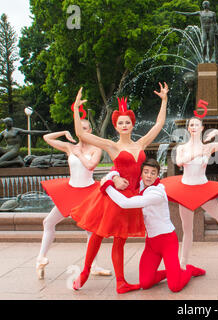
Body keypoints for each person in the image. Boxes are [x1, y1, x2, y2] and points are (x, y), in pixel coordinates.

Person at [70, 82, 169, 294]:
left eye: (127, 122)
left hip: (131, 196)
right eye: (121, 123)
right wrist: (76, 110)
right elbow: (81, 134)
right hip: (113, 196)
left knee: (119, 240)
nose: (124, 125)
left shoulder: (140, 143)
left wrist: (164, 100)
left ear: (132, 124)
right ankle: (85, 271)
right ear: (116, 126)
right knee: (98, 233)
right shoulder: (112, 145)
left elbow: (159, 125)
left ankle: (121, 283)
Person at [101, 158, 206, 292]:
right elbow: (115, 171)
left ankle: (188, 270)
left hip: (167, 241)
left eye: (153, 173)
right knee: (145, 283)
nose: (149, 176)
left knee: (175, 287)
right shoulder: (142, 184)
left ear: (157, 175)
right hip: (151, 243)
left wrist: (107, 187)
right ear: (142, 174)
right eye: (146, 172)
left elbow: (125, 203)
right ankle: (172, 272)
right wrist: (113, 177)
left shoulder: (157, 192)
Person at [161, 116, 218, 277]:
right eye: (191, 124)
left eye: (197, 124)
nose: (193, 126)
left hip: (203, 188)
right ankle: (182, 263)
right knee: (187, 229)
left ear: (202, 128)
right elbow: (180, 162)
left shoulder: (208, 147)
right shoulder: (182, 147)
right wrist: (197, 153)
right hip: (186, 190)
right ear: (188, 128)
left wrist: (217, 131)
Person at [37, 120, 112, 279]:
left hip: (88, 192)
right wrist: (64, 133)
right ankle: (40, 259)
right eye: (79, 129)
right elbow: (47, 138)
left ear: (90, 130)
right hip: (70, 191)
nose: (82, 132)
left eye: (85, 129)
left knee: (91, 231)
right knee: (48, 222)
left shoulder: (96, 149)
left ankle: (94, 266)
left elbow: (91, 166)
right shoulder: (69, 147)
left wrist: (78, 154)